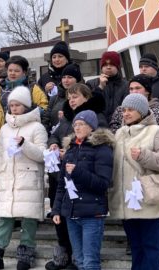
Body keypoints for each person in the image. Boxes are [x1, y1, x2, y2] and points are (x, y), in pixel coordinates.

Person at [0, 86, 47, 270]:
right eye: (11, 105)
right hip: (8, 177)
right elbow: (0, 155)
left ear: (25, 106)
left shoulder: (37, 127)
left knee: (29, 218)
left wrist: (24, 144)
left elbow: (42, 155)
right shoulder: (5, 129)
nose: (14, 108)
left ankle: (26, 252)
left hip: (29, 179)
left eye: (18, 105)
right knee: (5, 216)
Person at [109, 93, 159, 270]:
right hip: (126, 200)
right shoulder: (120, 133)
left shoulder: (156, 131)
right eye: (124, 110)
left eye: (130, 109)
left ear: (142, 111)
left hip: (147, 199)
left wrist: (144, 156)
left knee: (151, 247)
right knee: (136, 247)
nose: (126, 113)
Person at [45, 83, 106, 270]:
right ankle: (69, 256)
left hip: (87, 193)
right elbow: (54, 135)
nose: (71, 100)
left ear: (86, 98)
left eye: (76, 97)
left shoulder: (97, 119)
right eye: (69, 97)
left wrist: (74, 160)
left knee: (88, 254)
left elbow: (97, 148)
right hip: (65, 185)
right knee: (64, 219)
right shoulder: (66, 119)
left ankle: (79, 259)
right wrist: (54, 145)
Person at [52, 110, 114, 270]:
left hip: (92, 214)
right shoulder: (71, 149)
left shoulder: (102, 149)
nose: (77, 128)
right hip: (72, 214)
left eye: (81, 124)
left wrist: (79, 172)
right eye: (75, 124)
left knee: (90, 262)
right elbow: (62, 184)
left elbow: (103, 183)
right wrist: (57, 210)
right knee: (78, 261)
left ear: (91, 127)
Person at [0, 55, 48, 142]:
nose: (12, 73)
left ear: (24, 72)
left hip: (25, 137)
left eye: (17, 71)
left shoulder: (33, 88)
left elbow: (44, 110)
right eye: (10, 70)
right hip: (2, 136)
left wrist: (25, 111)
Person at [86, 51, 128, 123]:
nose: (108, 67)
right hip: (98, 125)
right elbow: (88, 106)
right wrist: (100, 87)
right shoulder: (91, 84)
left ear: (117, 67)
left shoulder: (126, 85)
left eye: (112, 64)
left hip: (120, 125)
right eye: (105, 65)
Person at [42, 63, 83, 134]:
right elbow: (46, 120)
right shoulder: (54, 98)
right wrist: (48, 136)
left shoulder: (84, 97)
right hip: (54, 139)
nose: (66, 80)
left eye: (70, 77)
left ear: (77, 80)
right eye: (64, 77)